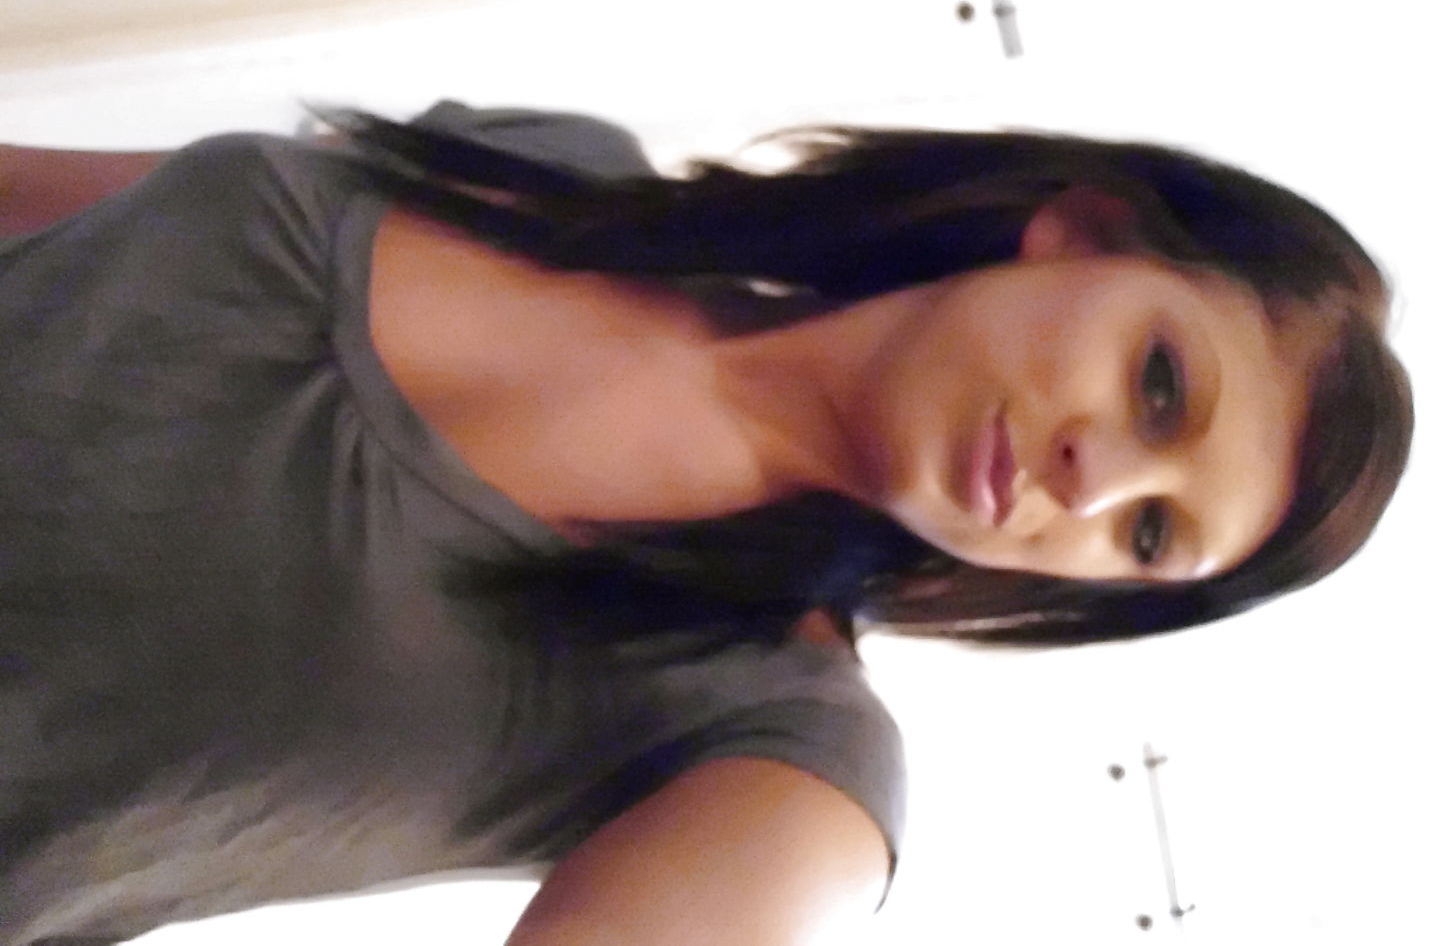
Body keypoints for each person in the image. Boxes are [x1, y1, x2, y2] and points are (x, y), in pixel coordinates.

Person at [0, 103, 1412, 945]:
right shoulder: (540, 166)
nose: (1088, 483)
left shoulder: (778, 758)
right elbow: (27, 194)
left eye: (1148, 537)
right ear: (1083, 233)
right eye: (1158, 384)